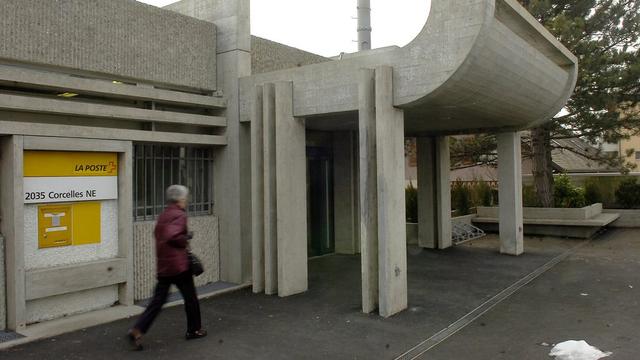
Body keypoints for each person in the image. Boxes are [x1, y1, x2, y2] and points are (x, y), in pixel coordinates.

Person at [128, 185, 207, 350]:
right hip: (179, 266)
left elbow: (160, 235)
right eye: (185, 198)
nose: (186, 201)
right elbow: (173, 236)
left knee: (157, 301)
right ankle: (194, 330)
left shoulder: (163, 215)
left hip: (164, 265)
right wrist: (186, 237)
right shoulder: (179, 214)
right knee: (190, 299)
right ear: (179, 200)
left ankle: (138, 329)